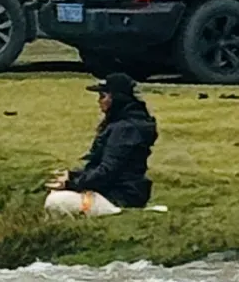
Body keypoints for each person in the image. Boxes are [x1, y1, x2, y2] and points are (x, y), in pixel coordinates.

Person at [45, 72, 157, 216]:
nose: (99, 101)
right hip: (120, 193)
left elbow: (108, 171)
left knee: (55, 201)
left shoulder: (124, 130)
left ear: (116, 99)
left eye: (103, 96)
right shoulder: (123, 126)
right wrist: (72, 176)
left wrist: (72, 184)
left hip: (119, 197)